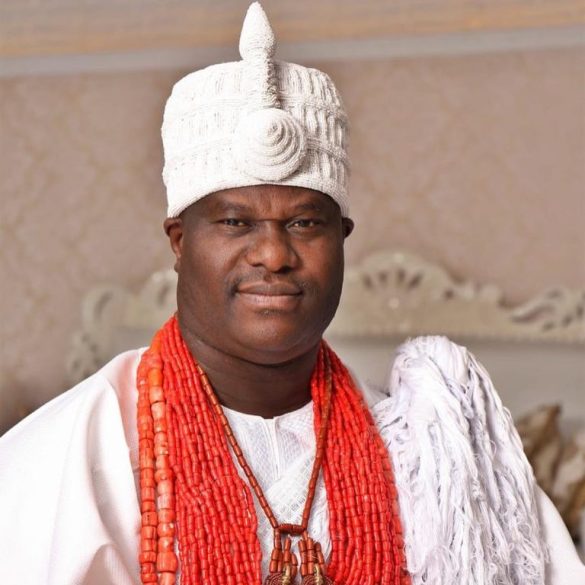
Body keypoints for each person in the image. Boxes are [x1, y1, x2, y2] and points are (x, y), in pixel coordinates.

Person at [0, 3, 583, 585]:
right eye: (236, 223)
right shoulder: (75, 449)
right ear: (180, 242)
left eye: (304, 223)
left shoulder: (422, 450)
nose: (274, 254)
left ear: (342, 238)